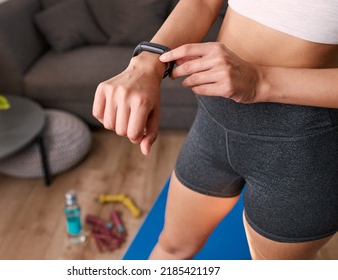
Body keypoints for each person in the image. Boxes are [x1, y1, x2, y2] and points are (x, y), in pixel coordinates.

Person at [92, 0, 338, 259]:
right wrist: (148, 62)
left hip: (300, 151)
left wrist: (258, 81)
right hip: (213, 121)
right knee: (171, 248)